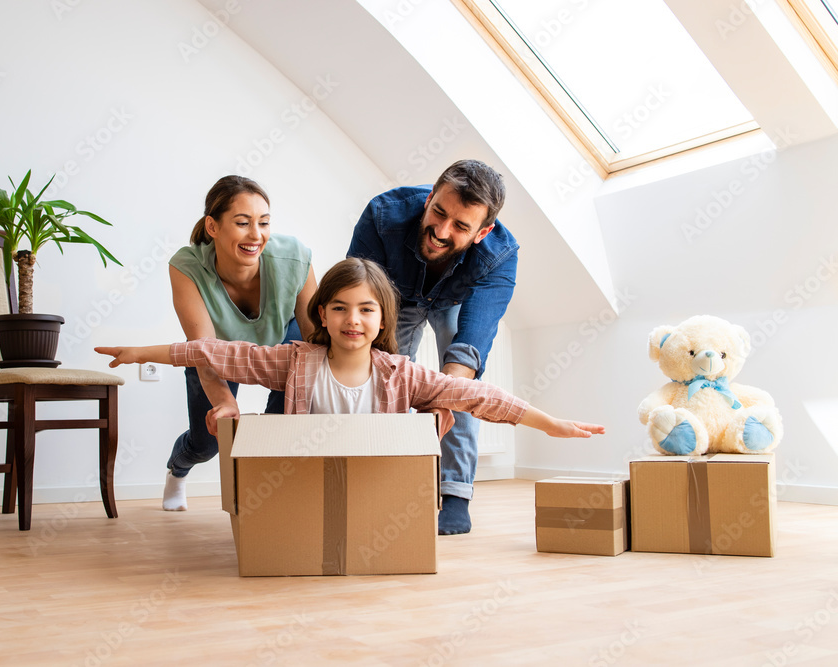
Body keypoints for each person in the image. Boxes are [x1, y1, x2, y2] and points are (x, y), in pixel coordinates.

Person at [97, 258, 603, 473]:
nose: (352, 320)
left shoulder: (400, 372)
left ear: (382, 317)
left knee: (447, 410)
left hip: (372, 480)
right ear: (321, 314)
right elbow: (219, 353)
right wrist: (144, 354)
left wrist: (550, 424)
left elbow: (481, 397)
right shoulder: (296, 362)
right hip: (302, 476)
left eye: (365, 309)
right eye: (339, 307)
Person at [347, 159, 518, 535]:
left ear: (482, 231)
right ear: (429, 199)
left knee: (460, 390)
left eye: (460, 226)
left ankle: (455, 494)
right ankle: (382, 481)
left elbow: (470, 347)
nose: (440, 231)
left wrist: (441, 401)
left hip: (457, 301)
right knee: (383, 378)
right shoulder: (382, 216)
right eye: (438, 212)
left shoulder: (500, 257)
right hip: (392, 297)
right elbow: (358, 297)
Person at [161, 175, 317, 511]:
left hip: (282, 342)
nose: (256, 235)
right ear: (213, 227)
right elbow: (203, 349)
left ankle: (272, 505)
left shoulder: (294, 257)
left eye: (263, 223)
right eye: (243, 223)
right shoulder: (186, 266)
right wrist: (223, 403)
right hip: (214, 352)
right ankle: (178, 469)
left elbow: (316, 340)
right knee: (207, 443)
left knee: (283, 426)